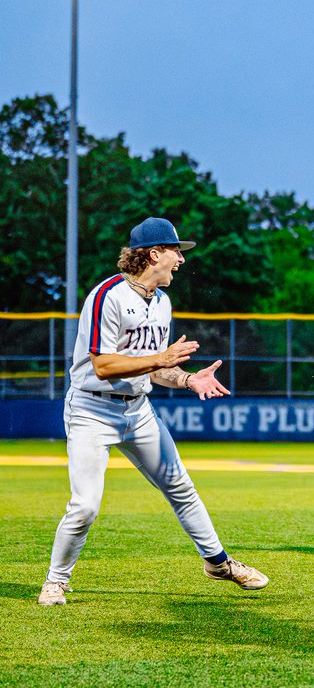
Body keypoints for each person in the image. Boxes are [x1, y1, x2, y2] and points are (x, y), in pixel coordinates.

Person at [38, 217, 268, 606]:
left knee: (181, 488)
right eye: (176, 251)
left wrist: (187, 380)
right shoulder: (107, 296)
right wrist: (159, 359)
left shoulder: (162, 301)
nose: (180, 259)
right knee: (85, 506)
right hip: (92, 411)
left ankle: (218, 563)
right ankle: (56, 581)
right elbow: (103, 366)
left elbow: (157, 368)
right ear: (154, 253)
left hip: (139, 410)